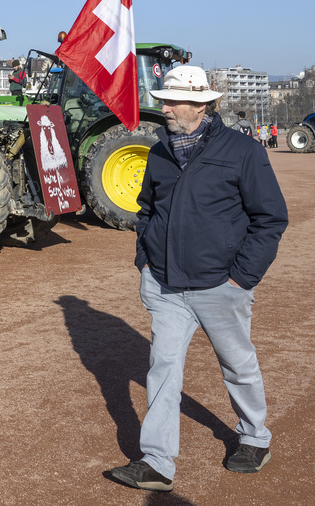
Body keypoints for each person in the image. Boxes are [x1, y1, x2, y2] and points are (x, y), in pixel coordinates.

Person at [109, 65, 288, 493]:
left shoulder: (242, 151)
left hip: (220, 286)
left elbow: (270, 218)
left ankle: (254, 439)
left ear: (203, 104)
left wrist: (242, 278)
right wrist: (145, 261)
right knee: (163, 368)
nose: (164, 108)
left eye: (173, 101)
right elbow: (146, 211)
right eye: (163, 99)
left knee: (238, 365)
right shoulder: (158, 152)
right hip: (167, 285)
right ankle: (156, 461)